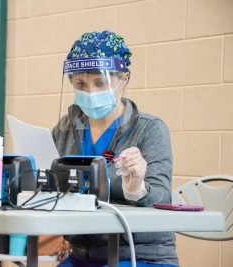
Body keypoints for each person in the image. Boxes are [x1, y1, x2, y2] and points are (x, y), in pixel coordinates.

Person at [52, 31, 178, 267]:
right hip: (84, 254)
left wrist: (138, 188)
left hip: (140, 254)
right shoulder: (66, 129)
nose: (90, 92)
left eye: (100, 83)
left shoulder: (150, 129)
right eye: (81, 84)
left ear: (124, 79)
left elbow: (163, 198)